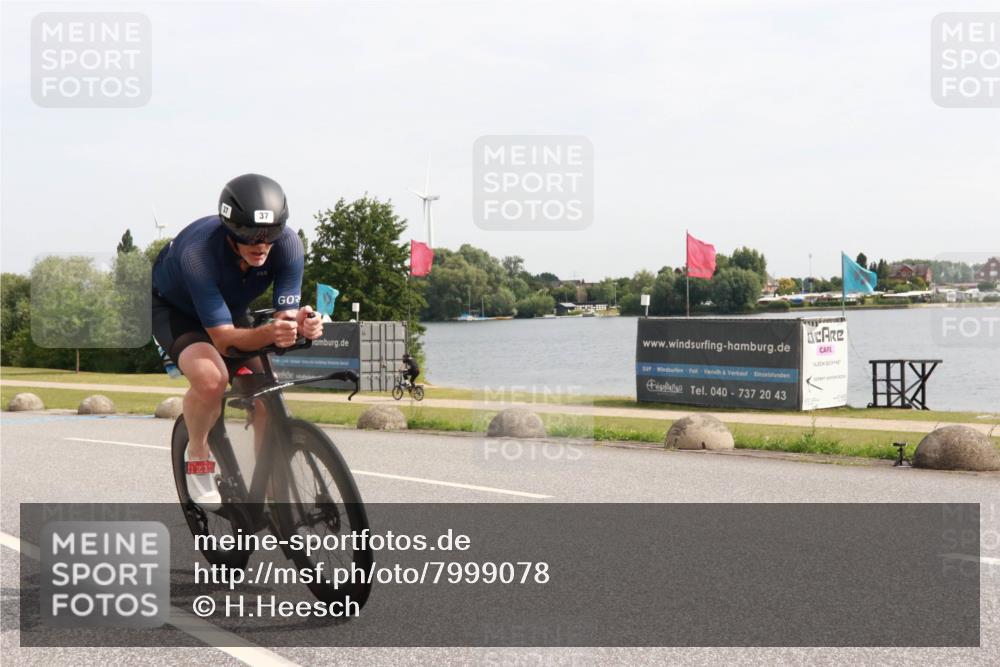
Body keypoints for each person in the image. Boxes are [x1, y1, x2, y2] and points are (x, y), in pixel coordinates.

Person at [151, 173, 323, 509]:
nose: (261, 246)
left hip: (228, 308)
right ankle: (198, 451)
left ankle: (270, 485)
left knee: (266, 393)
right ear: (231, 231)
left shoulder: (288, 246)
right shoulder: (198, 253)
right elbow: (225, 342)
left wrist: (299, 325)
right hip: (176, 310)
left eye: (270, 236)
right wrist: (271, 332)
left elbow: (283, 321)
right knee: (211, 379)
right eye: (250, 237)